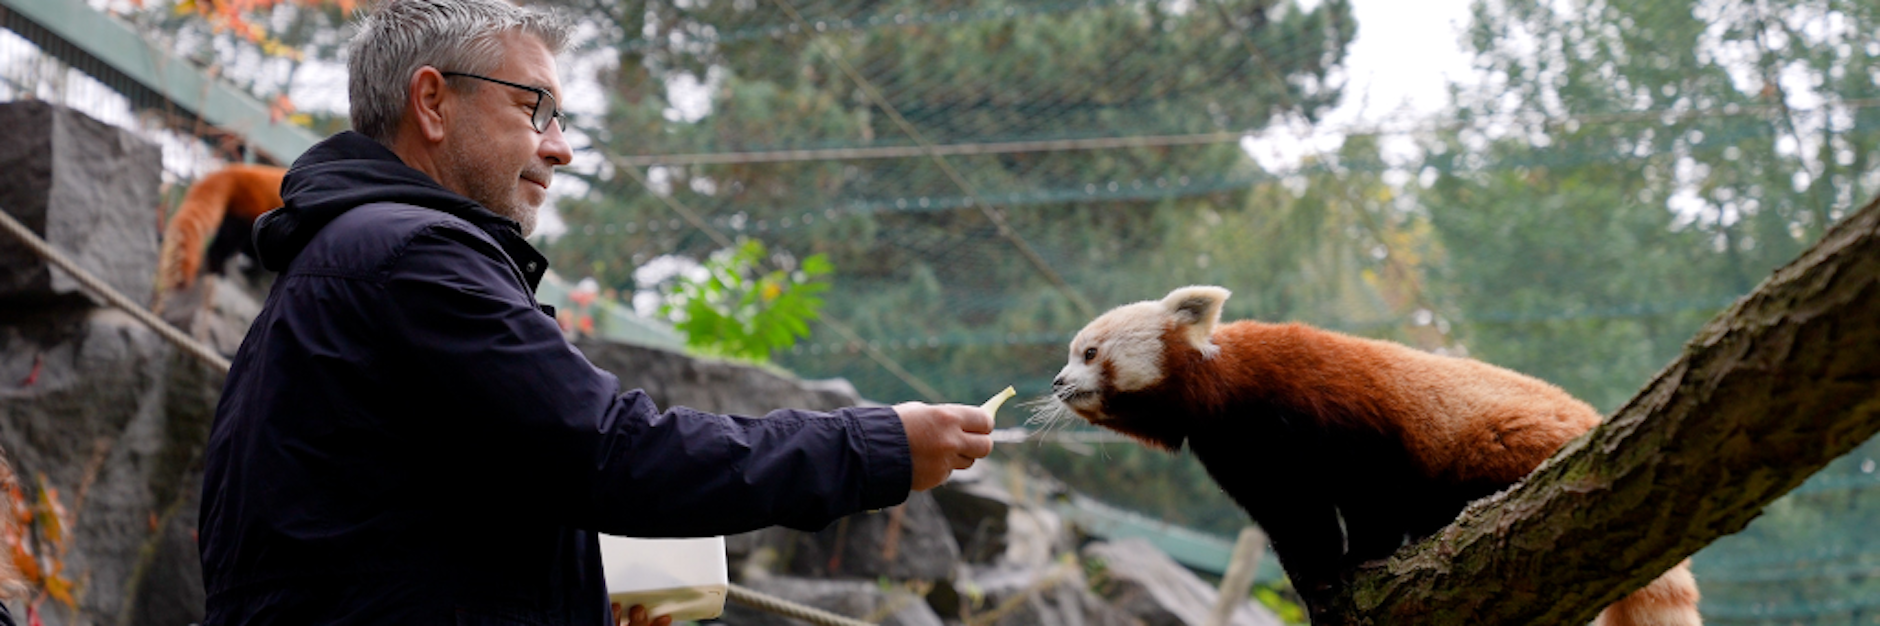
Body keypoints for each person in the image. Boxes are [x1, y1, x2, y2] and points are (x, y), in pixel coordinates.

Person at [195, 1, 994, 624]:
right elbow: (614, 454)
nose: (561, 147)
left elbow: (409, 540)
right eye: (535, 107)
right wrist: (876, 445)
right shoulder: (411, 258)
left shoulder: (353, 264)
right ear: (432, 103)